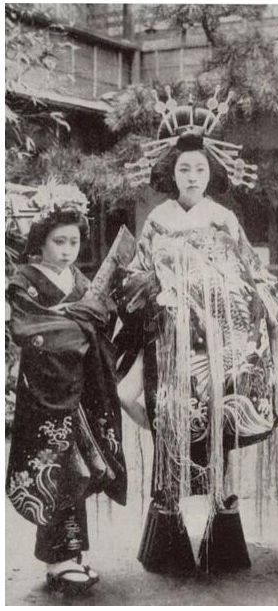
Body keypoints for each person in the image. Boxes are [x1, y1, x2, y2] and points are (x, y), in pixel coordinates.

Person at [115, 91, 278, 575]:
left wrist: (244, 297)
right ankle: (167, 536)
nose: (192, 176)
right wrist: (155, 289)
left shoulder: (224, 218)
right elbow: (135, 277)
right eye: (184, 169)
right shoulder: (158, 220)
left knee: (220, 433)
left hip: (218, 346)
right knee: (160, 419)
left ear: (212, 174)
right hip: (168, 341)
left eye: (200, 169)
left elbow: (252, 274)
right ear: (170, 173)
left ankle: (221, 535)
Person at [6, 184, 127, 594]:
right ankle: (60, 559)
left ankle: (66, 557)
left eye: (74, 242)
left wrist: (83, 319)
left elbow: (101, 320)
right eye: (59, 241)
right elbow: (28, 328)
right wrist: (77, 321)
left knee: (77, 471)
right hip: (45, 392)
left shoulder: (80, 279)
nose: (67, 250)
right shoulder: (24, 281)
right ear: (40, 241)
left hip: (79, 391)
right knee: (55, 468)